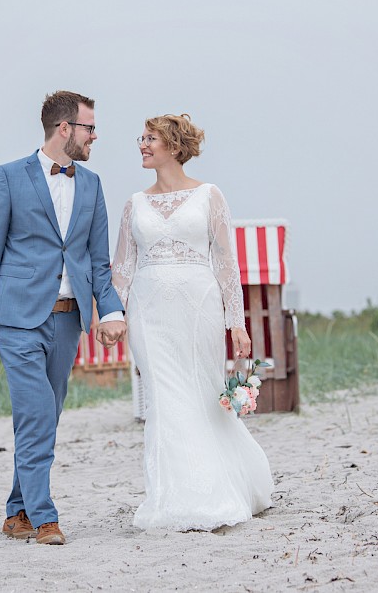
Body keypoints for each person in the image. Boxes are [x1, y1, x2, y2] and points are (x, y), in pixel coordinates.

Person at [0, 90, 127, 546]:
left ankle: (16, 511)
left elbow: (98, 262)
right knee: (37, 414)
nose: (94, 136)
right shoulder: (7, 177)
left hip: (66, 320)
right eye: (89, 127)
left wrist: (111, 309)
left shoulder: (92, 184)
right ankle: (44, 517)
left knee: (45, 417)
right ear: (65, 129)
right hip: (16, 320)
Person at [111, 113, 273, 531]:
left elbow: (226, 264)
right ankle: (175, 497)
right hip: (148, 313)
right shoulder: (135, 204)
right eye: (141, 138)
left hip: (199, 309)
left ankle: (232, 484)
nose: (142, 144)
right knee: (164, 400)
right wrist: (112, 316)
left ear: (174, 145)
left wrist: (236, 323)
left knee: (202, 395)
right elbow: (122, 270)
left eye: (151, 138)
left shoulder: (210, 196)